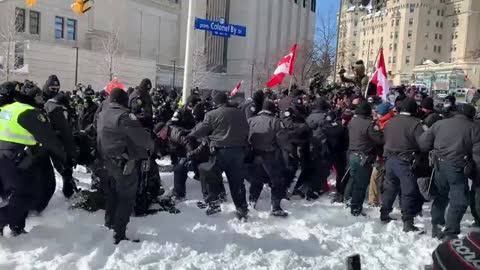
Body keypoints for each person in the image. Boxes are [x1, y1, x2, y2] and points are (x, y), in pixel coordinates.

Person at [0, 81, 66, 236]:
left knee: (13, 195)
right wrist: (64, 156)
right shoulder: (29, 112)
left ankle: (16, 227)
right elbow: (50, 140)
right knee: (27, 195)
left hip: (4, 157)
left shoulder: (5, 109)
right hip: (16, 159)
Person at [96, 88, 154, 244]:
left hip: (105, 161)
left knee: (112, 194)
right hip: (122, 162)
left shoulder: (102, 113)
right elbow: (143, 139)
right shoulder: (124, 116)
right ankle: (119, 233)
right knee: (126, 198)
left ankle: (109, 223)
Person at [418, 103, 480, 241]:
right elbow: (477, 155)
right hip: (458, 166)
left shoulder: (440, 124)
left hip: (438, 164)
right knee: (459, 200)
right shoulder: (474, 127)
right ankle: (450, 233)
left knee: (441, 196)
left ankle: (437, 226)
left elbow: (423, 143)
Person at [189, 92, 249, 220]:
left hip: (220, 152)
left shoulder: (211, 114)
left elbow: (203, 130)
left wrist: (191, 135)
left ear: (215, 103)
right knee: (237, 181)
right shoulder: (239, 112)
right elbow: (246, 129)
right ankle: (242, 208)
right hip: (238, 152)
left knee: (209, 174)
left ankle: (214, 203)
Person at [381, 98, 425, 232]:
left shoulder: (390, 122)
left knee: (390, 188)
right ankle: (407, 221)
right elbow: (423, 144)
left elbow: (384, 138)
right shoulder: (416, 124)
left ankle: (384, 213)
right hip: (405, 161)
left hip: (389, 159)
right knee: (408, 191)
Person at [247, 100, 288, 217]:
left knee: (256, 180)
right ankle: (275, 206)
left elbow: (246, 137)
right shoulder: (275, 122)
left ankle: (252, 202)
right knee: (277, 181)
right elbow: (282, 140)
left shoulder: (250, 120)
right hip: (270, 155)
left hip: (254, 153)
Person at [42, 75, 79, 198]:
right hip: (45, 142)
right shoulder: (43, 101)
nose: (55, 91)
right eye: (52, 88)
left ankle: (68, 193)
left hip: (55, 142)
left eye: (57, 88)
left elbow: (67, 129)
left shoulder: (58, 104)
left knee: (65, 170)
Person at [347, 101, 384, 216]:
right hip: (363, 156)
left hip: (352, 154)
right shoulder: (369, 124)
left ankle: (350, 201)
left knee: (354, 180)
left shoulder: (352, 121)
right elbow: (379, 139)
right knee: (361, 185)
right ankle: (356, 208)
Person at [367, 102, 394, 207]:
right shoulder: (378, 123)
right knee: (375, 177)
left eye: (378, 113)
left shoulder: (389, 123)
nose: (376, 114)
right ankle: (373, 200)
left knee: (380, 178)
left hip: (387, 155)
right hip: (380, 155)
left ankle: (381, 201)